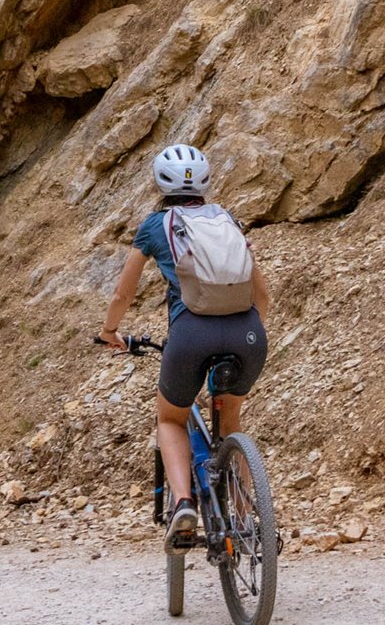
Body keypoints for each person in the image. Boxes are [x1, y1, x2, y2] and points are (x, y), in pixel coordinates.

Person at [97, 143, 270, 542]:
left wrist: (110, 332)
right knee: (230, 423)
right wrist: (247, 331)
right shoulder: (228, 220)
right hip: (247, 334)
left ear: (160, 182)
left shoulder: (155, 226)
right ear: (205, 181)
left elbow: (122, 295)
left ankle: (184, 506)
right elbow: (263, 296)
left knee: (170, 419)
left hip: (191, 334)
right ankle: (245, 521)